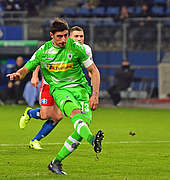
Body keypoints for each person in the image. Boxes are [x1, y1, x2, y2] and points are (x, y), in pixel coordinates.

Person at [7, 18, 103, 175]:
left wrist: (95, 95)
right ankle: (93, 140)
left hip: (81, 90)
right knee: (73, 114)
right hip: (60, 91)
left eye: (66, 35)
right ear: (51, 35)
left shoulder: (77, 48)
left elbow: (94, 71)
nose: (64, 39)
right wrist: (18, 75)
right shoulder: (43, 51)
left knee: (80, 129)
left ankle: (56, 162)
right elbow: (26, 69)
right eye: (60, 36)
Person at [19, 25, 94, 151]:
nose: (79, 39)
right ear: (69, 37)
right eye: (76, 36)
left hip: (67, 88)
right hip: (50, 85)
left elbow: (91, 67)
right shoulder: (50, 48)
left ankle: (35, 140)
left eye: (81, 36)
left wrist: (92, 80)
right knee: (45, 115)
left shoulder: (85, 49)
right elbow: (38, 60)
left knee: (57, 116)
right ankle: (29, 113)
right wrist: (34, 75)